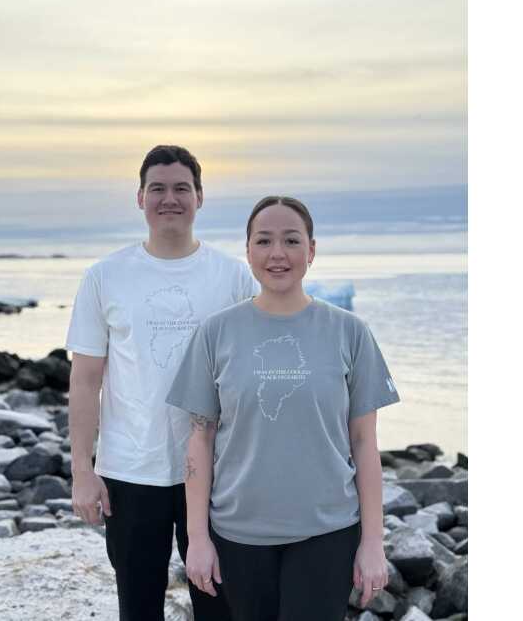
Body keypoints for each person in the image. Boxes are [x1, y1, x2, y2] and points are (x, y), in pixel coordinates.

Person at [166, 196, 400, 621]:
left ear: (311, 250)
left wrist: (372, 542)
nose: (278, 253)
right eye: (264, 241)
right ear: (248, 251)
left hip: (328, 532)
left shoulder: (350, 332)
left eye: (291, 240)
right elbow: (199, 440)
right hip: (238, 534)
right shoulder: (215, 333)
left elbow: (365, 443)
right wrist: (197, 539)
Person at [65, 145, 258, 621]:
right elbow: (85, 381)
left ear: (199, 197)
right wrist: (82, 471)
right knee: (138, 606)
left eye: (181, 188)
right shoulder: (105, 277)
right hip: (131, 471)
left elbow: (254, 375)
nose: (169, 198)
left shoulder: (233, 277)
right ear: (140, 198)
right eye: (157, 189)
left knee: (220, 607)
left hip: (217, 471)